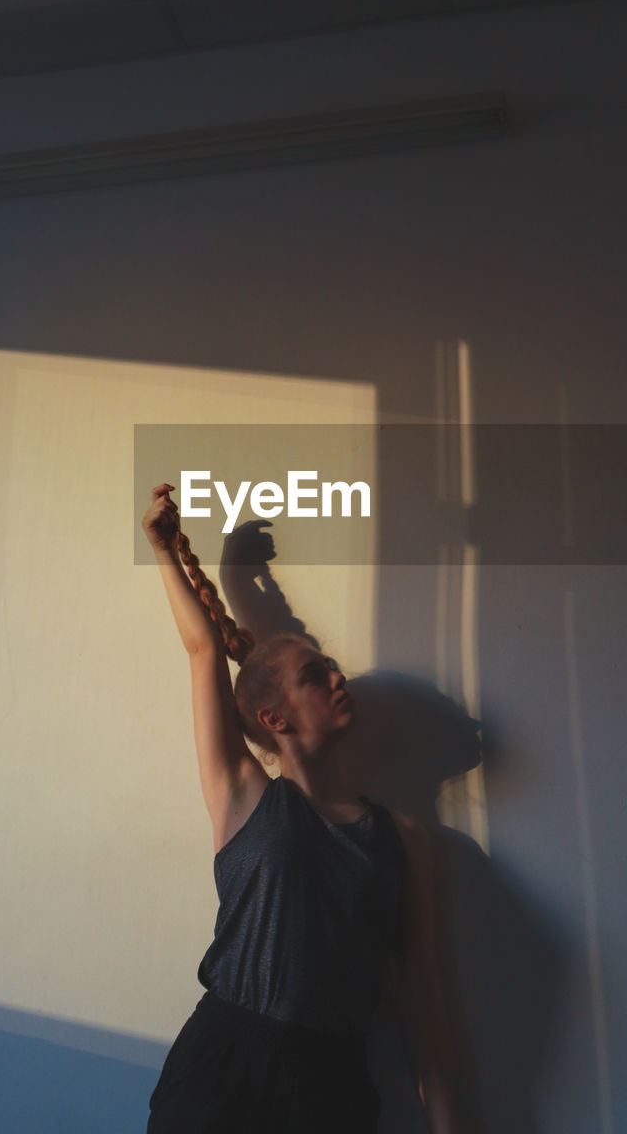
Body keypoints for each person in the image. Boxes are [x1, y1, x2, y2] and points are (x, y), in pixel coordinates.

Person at [142, 483, 464, 1134]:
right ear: (273, 717)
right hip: (221, 1070)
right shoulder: (242, 795)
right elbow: (205, 649)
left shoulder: (402, 837)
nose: (338, 678)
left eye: (333, 667)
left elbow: (424, 1004)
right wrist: (165, 550)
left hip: (329, 1089)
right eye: (315, 675)